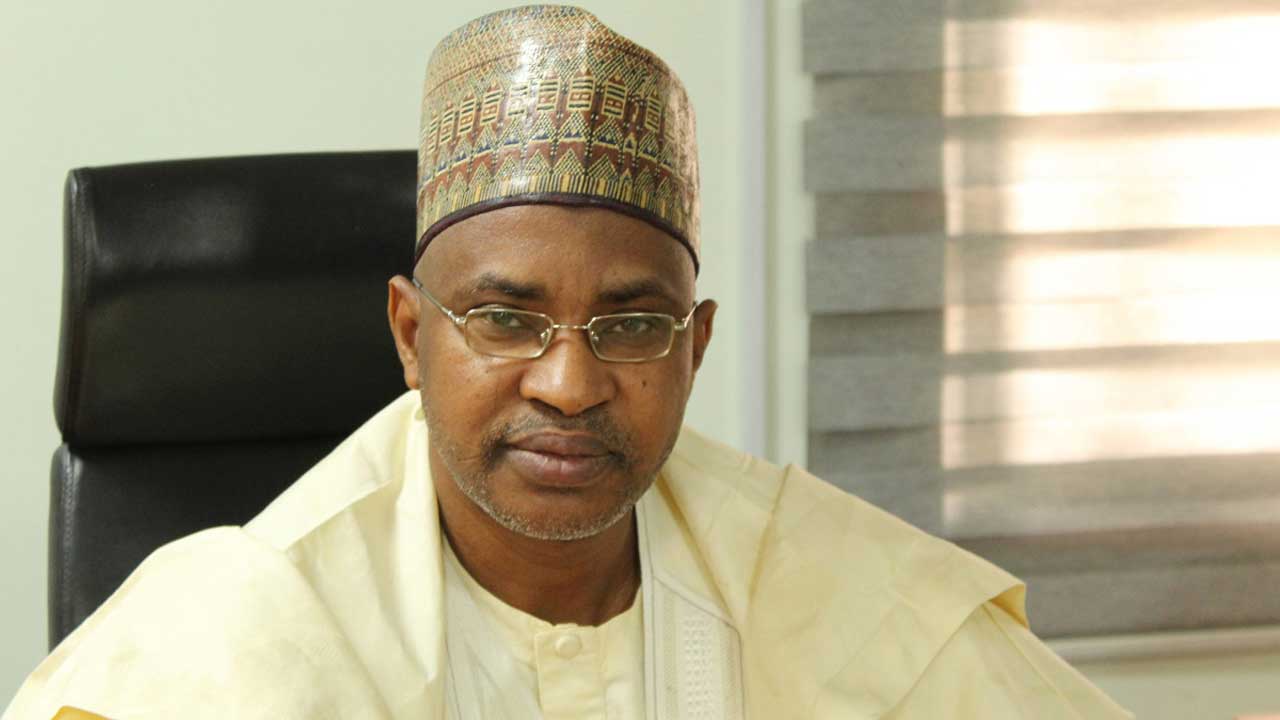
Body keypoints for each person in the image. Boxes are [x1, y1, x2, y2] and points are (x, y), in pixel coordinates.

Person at [4, 5, 1131, 719]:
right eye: (505, 318)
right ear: (410, 335)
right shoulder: (239, 628)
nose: (569, 384)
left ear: (694, 349)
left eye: (632, 327)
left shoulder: (822, 580)